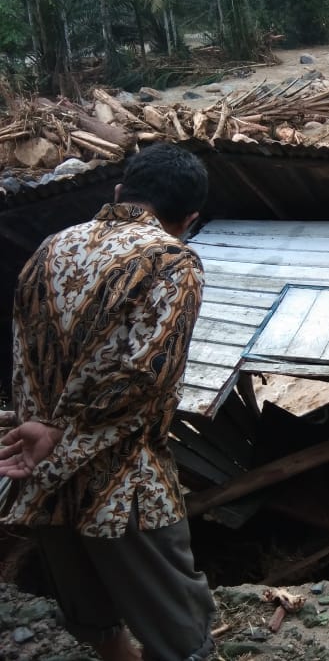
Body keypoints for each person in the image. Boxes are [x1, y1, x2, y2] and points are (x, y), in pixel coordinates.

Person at [0, 143, 215, 661]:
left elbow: (24, 352)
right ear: (188, 219)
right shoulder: (172, 260)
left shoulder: (49, 248)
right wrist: (62, 429)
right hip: (123, 481)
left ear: (119, 193)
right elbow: (144, 375)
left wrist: (40, 428)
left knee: (94, 619)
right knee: (180, 629)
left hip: (43, 474)